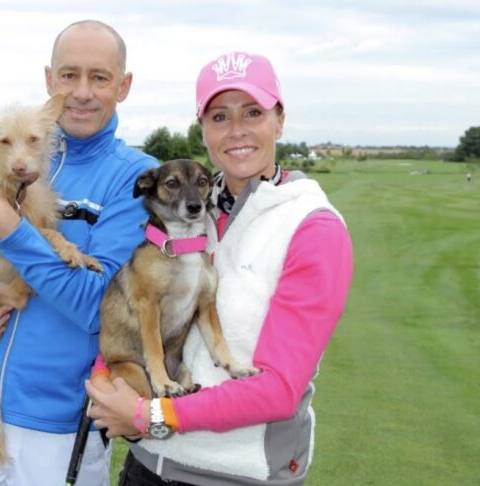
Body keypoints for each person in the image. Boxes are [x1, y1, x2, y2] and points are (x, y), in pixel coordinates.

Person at [0, 20, 157, 485]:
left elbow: (101, 309)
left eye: (100, 77)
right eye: (69, 75)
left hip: (58, 430)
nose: (82, 92)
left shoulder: (137, 178)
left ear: (123, 86)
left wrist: (7, 226)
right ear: (49, 81)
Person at [86, 51, 354, 485]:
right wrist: (105, 379)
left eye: (253, 112)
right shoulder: (187, 212)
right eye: (220, 116)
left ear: (279, 120)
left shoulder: (314, 227)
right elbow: (131, 300)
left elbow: (280, 389)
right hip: (148, 467)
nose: (236, 130)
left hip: (238, 476)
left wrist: (153, 415)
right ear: (204, 129)